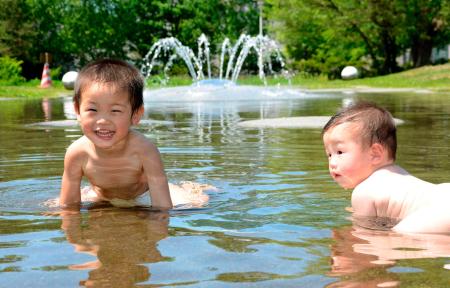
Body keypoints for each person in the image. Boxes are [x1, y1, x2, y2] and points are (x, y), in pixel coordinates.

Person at [60, 59, 210, 210]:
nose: (103, 121)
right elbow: (68, 206)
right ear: (78, 111)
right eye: (92, 110)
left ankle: (193, 188)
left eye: (115, 111)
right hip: (101, 196)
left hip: (144, 195)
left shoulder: (144, 149)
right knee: (57, 205)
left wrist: (159, 222)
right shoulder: (76, 152)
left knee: (196, 203)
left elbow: (161, 204)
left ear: (136, 115)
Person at [322, 101, 450, 233]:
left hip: (438, 212)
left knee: (393, 238)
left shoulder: (362, 192)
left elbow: (364, 239)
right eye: (329, 155)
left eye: (340, 152)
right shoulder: (398, 173)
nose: (332, 163)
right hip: (444, 193)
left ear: (375, 153)